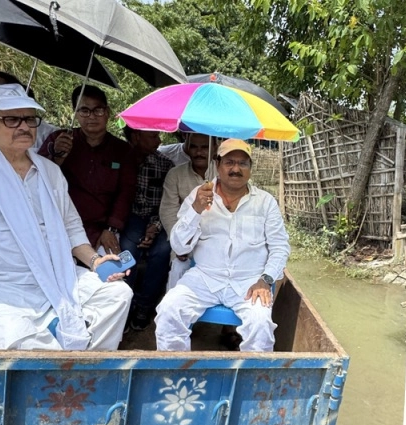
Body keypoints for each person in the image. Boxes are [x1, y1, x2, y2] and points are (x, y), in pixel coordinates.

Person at [0, 84, 133, 367]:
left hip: (55, 273)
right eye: (11, 119)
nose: (24, 127)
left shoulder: (48, 171)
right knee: (30, 345)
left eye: (30, 119)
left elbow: (71, 228)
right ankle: (56, 390)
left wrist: (95, 262)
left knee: (117, 295)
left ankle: (86, 371)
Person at [155, 139, 289, 352]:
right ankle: (174, 375)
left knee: (260, 324)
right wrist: (196, 210)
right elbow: (180, 247)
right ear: (217, 165)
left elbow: (280, 247)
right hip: (205, 278)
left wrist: (265, 280)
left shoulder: (265, 202)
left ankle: (250, 382)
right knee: (169, 310)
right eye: (229, 162)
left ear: (250, 169)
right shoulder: (199, 195)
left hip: (249, 281)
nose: (236, 169)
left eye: (243, 163)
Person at [39, 85, 139, 253]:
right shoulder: (58, 140)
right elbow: (36, 180)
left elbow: (125, 193)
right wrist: (56, 158)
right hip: (58, 225)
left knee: (112, 271)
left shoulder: (123, 150)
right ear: (75, 113)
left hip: (102, 229)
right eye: (84, 110)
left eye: (98, 110)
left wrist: (111, 229)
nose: (91, 116)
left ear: (107, 112)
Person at [120, 127, 175, 331]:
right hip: (129, 219)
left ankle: (144, 306)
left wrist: (155, 226)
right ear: (136, 137)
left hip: (158, 219)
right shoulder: (121, 160)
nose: (159, 140)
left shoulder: (165, 165)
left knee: (162, 252)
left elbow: (168, 203)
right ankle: (123, 307)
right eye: (153, 136)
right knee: (127, 251)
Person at [160, 132, 217, 289]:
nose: (199, 152)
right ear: (187, 148)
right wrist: (179, 242)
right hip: (184, 237)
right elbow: (168, 212)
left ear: (214, 149)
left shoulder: (222, 174)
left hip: (214, 240)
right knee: (178, 269)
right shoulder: (175, 175)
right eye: (194, 147)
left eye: (205, 147)